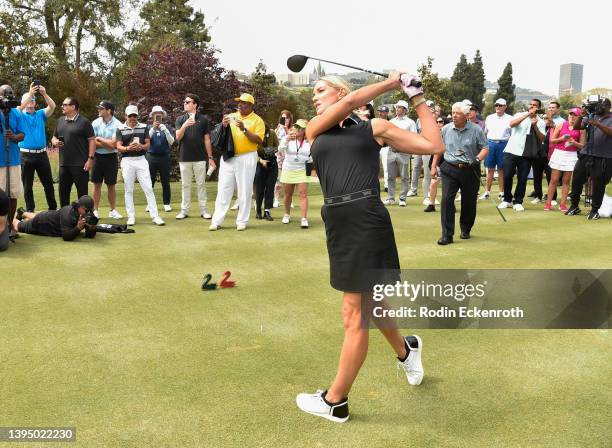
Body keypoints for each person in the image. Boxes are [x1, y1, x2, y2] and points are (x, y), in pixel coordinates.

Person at [295, 72, 443, 423]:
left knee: (355, 313)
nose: (314, 97)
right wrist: (393, 82)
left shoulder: (374, 127)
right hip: (338, 219)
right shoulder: (315, 127)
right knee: (372, 302)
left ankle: (336, 400)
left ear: (340, 91)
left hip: (366, 216)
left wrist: (417, 97)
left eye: (320, 90)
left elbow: (433, 146)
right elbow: (349, 104)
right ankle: (407, 351)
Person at [433, 102, 488, 245]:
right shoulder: (445, 129)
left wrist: (477, 158)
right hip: (449, 168)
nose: (454, 115)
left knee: (469, 202)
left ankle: (466, 229)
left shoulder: (476, 130)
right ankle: (447, 235)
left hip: (470, 169)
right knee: (446, 200)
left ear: (466, 115)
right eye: (452, 113)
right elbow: (439, 149)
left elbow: (485, 148)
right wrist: (433, 166)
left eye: (457, 113)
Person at [209, 93, 264, 231]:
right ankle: (217, 220)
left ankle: (241, 221)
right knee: (223, 188)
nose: (240, 104)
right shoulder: (232, 116)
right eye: (239, 102)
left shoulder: (257, 120)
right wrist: (224, 125)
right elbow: (219, 134)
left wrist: (244, 129)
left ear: (251, 105)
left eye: (243, 102)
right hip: (229, 156)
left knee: (244, 189)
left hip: (247, 156)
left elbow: (258, 140)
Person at [115, 105, 165, 226]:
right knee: (129, 189)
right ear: (125, 116)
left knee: (148, 188)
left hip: (141, 160)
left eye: (135, 115)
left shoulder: (144, 127)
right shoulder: (120, 128)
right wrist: (128, 148)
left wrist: (141, 147)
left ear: (137, 116)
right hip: (127, 161)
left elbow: (148, 144)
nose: (132, 118)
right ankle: (131, 216)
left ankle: (155, 216)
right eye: (130, 115)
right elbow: (118, 146)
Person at [566, 98, 612, 220]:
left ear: (608, 107)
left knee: (598, 184)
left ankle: (595, 210)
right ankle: (574, 206)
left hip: (603, 156)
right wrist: (581, 116)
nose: (597, 108)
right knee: (576, 180)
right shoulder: (592, 116)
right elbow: (577, 127)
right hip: (586, 154)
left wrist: (597, 124)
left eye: (599, 106)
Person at [498, 99, 546, 212]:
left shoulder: (541, 121)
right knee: (507, 175)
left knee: (522, 178)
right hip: (511, 150)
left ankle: (518, 201)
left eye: (535, 105)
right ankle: (507, 199)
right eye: (531, 104)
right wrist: (527, 115)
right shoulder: (520, 115)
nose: (532, 106)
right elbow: (511, 124)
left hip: (527, 153)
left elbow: (543, 138)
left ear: (538, 108)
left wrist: (535, 126)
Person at [175, 93, 215, 220]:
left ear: (195, 104)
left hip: (200, 158)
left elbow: (207, 140)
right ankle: (184, 210)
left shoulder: (203, 120)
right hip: (184, 157)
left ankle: (204, 210)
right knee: (185, 185)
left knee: (201, 184)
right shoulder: (180, 119)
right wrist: (185, 125)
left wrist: (210, 158)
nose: (185, 104)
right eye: (185, 102)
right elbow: (177, 137)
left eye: (188, 102)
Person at [17, 83, 57, 212]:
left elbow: (53, 106)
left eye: (32, 101)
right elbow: (18, 109)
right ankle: (30, 211)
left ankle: (53, 210)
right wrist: (30, 94)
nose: (30, 104)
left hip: (41, 154)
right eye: (28, 101)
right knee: (27, 186)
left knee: (48, 184)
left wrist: (44, 93)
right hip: (25, 155)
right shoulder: (19, 115)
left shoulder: (40, 114)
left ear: (35, 103)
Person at [51, 97, 96, 207]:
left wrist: (90, 159)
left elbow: (92, 141)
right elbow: (53, 137)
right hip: (64, 164)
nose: (62, 106)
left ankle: (83, 219)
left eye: (65, 104)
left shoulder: (84, 122)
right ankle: (64, 218)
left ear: (73, 107)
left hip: (80, 165)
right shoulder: (60, 121)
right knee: (63, 194)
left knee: (82, 196)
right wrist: (55, 141)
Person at [544, 108, 585, 212]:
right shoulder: (561, 125)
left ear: (579, 117)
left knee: (566, 181)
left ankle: (563, 204)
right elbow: (552, 140)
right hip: (559, 153)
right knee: (554, 180)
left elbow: (582, 145)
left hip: (571, 155)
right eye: (570, 114)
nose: (572, 116)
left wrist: (574, 143)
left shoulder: (581, 128)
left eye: (575, 115)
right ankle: (548, 203)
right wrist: (562, 139)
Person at [13, 195, 97, 241]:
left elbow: (90, 235)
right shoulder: (68, 214)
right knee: (18, 225)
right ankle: (8, 218)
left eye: (90, 211)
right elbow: (66, 237)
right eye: (86, 211)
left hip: (50, 216)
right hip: (42, 223)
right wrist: (78, 228)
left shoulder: (84, 214)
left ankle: (22, 212)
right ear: (79, 207)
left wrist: (92, 228)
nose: (88, 213)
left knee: (38, 215)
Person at [0, 84, 25, 238]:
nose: (7, 98)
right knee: (1, 195)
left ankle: (10, 226)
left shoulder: (16, 113)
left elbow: (22, 134)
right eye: (4, 95)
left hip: (14, 160)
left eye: (9, 94)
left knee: (13, 194)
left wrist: (13, 137)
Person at [91, 100, 123, 219]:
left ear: (108, 111)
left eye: (101, 108)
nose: (98, 110)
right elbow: (92, 142)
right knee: (96, 184)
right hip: (97, 157)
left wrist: (100, 139)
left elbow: (114, 145)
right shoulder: (95, 123)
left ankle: (113, 210)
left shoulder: (118, 124)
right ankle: (95, 210)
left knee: (111, 185)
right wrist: (107, 143)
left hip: (111, 158)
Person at [278, 119, 311, 228]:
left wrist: (309, 173)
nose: (297, 129)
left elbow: (312, 157)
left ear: (305, 130)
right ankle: (287, 214)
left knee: (303, 195)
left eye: (301, 128)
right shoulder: (288, 138)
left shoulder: (309, 141)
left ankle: (304, 218)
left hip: (302, 169)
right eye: (296, 127)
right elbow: (280, 149)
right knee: (288, 194)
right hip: (288, 169)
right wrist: (286, 139)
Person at [384, 100, 416, 206]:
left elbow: (413, 137)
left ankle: (402, 198)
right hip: (391, 151)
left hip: (404, 152)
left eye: (399, 107)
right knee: (390, 176)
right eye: (396, 107)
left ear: (405, 110)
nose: (397, 109)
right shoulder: (392, 121)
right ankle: (390, 198)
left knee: (404, 177)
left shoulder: (410, 122)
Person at [481, 98, 512, 200]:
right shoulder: (489, 117)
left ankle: (501, 192)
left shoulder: (510, 118)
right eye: (496, 105)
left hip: (503, 144)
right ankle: (487, 192)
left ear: (505, 107)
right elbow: (485, 133)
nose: (498, 107)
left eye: (500, 105)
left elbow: (511, 134)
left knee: (501, 170)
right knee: (489, 169)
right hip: (490, 143)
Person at [147, 105, 175, 212]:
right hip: (151, 157)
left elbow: (172, 142)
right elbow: (147, 141)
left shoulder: (167, 127)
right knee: (150, 182)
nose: (157, 115)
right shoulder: (149, 127)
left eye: (160, 113)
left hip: (164, 157)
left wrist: (166, 131)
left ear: (162, 115)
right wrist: (153, 129)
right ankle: (150, 204)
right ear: (152, 115)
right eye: (155, 113)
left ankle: (166, 203)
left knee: (165, 181)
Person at [413, 100, 438, 203]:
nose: (430, 109)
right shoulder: (421, 120)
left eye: (431, 107)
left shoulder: (439, 119)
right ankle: (426, 197)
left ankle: (433, 196)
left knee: (436, 174)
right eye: (428, 107)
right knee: (428, 174)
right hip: (427, 148)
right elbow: (422, 134)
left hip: (437, 149)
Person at [254, 124, 278, 221]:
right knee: (259, 188)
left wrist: (271, 150)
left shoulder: (272, 132)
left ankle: (267, 211)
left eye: (266, 132)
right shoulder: (254, 136)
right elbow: (252, 152)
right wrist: (261, 160)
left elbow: (277, 146)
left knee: (270, 187)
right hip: (259, 163)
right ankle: (258, 210)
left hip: (272, 162)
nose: (265, 134)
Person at [424, 116, 446, 212]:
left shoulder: (450, 133)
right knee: (433, 183)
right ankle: (431, 204)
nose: (438, 123)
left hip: (448, 161)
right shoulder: (433, 134)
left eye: (440, 122)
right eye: (436, 122)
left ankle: (450, 205)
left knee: (449, 185)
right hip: (435, 160)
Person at [274, 110, 294, 208]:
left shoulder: (292, 128)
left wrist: (285, 128)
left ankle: (289, 200)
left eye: (286, 118)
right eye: (283, 118)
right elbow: (274, 138)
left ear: (290, 119)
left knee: (288, 179)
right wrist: (279, 128)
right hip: (278, 156)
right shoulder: (278, 128)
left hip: (288, 156)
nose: (285, 119)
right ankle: (276, 200)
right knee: (277, 179)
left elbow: (292, 138)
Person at [377, 106, 390, 192]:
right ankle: (375, 185)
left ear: (386, 113)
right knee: (375, 167)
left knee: (386, 167)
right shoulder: (376, 121)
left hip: (386, 147)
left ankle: (387, 186)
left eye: (382, 112)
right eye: (380, 111)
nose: (380, 113)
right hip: (376, 147)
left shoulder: (390, 122)